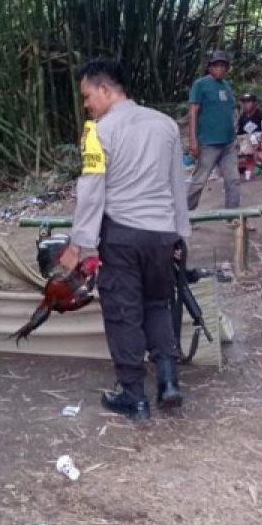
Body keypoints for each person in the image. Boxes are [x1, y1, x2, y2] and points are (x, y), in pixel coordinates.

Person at [57, 58, 188, 422]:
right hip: (162, 233)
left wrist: (76, 244)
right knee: (158, 304)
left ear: (105, 89)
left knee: (123, 312)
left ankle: (133, 395)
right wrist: (179, 233)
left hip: (123, 235)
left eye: (87, 96)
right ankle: (168, 381)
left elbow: (92, 188)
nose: (86, 105)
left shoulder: (97, 131)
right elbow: (178, 181)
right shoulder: (165, 125)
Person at [186, 50, 240, 210]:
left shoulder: (227, 86)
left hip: (228, 143)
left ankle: (233, 215)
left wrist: (235, 137)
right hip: (208, 142)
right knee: (199, 180)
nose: (220, 69)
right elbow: (193, 112)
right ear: (210, 67)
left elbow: (229, 112)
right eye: (217, 66)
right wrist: (193, 140)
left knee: (233, 179)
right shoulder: (200, 85)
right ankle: (187, 214)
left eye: (223, 66)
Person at [235, 93, 262, 178]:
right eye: (243, 102)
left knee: (253, 138)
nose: (245, 104)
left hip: (260, 141)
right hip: (246, 143)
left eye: (248, 102)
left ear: (254, 103)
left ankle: (257, 167)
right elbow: (240, 134)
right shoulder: (242, 117)